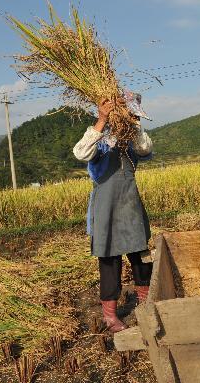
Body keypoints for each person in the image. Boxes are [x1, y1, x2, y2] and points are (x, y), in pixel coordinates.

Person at [73, 90, 153, 333]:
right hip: (106, 205)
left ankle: (146, 302)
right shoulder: (99, 138)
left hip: (129, 202)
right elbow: (80, 152)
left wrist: (134, 124)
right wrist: (102, 119)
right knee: (109, 258)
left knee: (140, 253)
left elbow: (145, 149)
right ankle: (109, 315)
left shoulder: (132, 138)